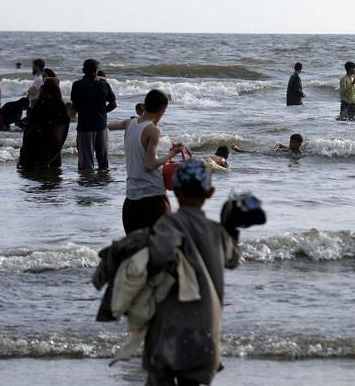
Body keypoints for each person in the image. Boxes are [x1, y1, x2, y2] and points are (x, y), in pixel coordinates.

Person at [143, 159, 240, 386]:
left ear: (174, 190)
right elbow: (233, 260)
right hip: (206, 337)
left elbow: (158, 257)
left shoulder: (167, 225)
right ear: (210, 192)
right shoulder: (218, 232)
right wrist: (232, 230)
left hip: (170, 334)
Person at [122, 89, 185, 234]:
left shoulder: (129, 123)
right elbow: (150, 165)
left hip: (130, 202)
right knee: (164, 249)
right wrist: (172, 154)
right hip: (152, 200)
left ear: (145, 105)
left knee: (135, 251)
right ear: (163, 110)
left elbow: (111, 125)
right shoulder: (153, 131)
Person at [18, 68, 71, 169]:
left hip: (45, 130)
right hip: (53, 131)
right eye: (42, 76)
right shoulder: (57, 97)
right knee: (53, 149)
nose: (43, 78)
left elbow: (34, 117)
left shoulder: (44, 95)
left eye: (45, 76)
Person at [71, 59, 117, 170]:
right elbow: (114, 104)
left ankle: (88, 184)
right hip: (101, 126)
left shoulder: (77, 85)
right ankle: (102, 183)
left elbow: (75, 106)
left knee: (86, 160)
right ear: (97, 71)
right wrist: (101, 111)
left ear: (83, 70)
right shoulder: (104, 85)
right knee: (103, 160)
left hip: (85, 127)